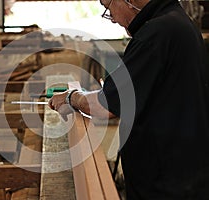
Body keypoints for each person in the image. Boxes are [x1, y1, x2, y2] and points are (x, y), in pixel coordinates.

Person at [48, 0, 209, 199]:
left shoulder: (156, 34)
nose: (113, 18)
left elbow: (104, 106)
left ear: (128, 1)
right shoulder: (179, 22)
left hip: (165, 184)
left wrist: (72, 98)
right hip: (187, 173)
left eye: (109, 8)